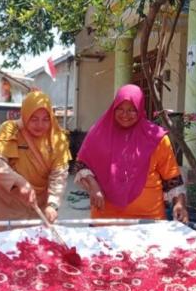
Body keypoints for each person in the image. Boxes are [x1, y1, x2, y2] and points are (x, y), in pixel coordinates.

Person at [74, 84, 188, 222]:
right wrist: (93, 186)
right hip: (105, 220)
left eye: (132, 110)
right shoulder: (99, 133)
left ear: (140, 109)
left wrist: (179, 204)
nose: (125, 115)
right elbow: (81, 164)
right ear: (113, 108)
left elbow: (172, 178)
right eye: (120, 109)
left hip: (149, 221)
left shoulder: (156, 138)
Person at [0, 91, 71, 232]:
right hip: (7, 208)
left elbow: (59, 174)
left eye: (45, 119)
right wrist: (20, 182)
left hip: (37, 209)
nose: (40, 125)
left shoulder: (58, 138)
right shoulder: (10, 129)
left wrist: (53, 204)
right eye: (34, 119)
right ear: (25, 114)